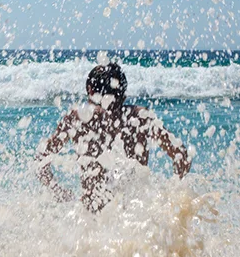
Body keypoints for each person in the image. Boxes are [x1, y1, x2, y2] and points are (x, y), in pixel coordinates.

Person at [36, 62, 191, 212]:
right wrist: (170, 197)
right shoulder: (141, 117)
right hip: (136, 217)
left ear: (90, 90)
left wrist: (58, 192)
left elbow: (41, 159)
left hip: (93, 218)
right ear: (123, 92)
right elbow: (182, 156)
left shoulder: (78, 118)